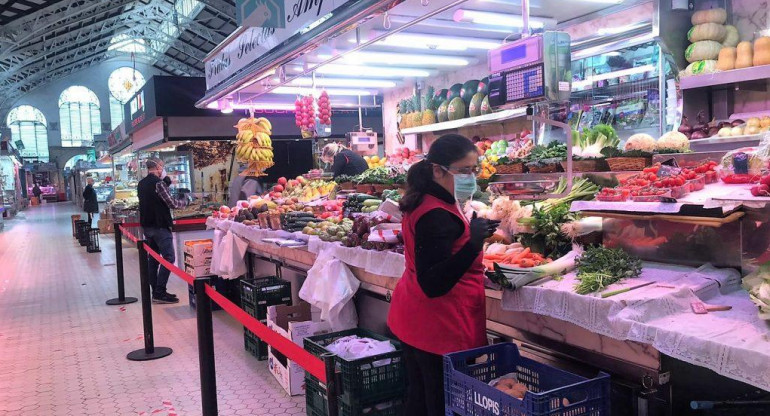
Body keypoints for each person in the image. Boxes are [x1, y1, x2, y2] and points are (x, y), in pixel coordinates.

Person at [387, 134, 500, 416]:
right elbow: (433, 283)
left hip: (415, 316)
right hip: (437, 324)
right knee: (440, 402)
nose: (470, 177)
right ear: (438, 170)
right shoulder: (435, 213)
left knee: (421, 398)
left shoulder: (427, 198)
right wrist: (473, 244)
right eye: (463, 171)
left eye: (474, 170)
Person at [138, 158, 189, 304]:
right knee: (168, 258)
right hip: (160, 226)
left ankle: (155, 291)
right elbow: (171, 203)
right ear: (158, 167)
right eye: (162, 166)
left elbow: (154, 198)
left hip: (147, 227)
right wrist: (186, 202)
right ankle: (160, 292)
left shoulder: (141, 184)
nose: (163, 169)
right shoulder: (158, 183)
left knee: (153, 259)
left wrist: (166, 183)